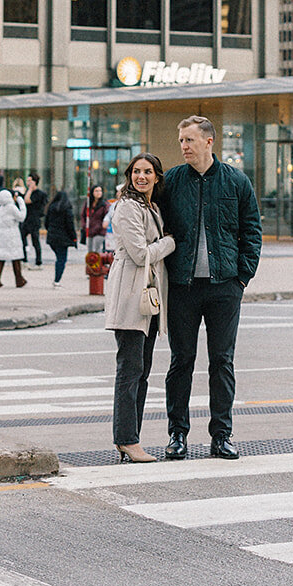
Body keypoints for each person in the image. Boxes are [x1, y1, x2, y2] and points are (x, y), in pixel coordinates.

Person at [159, 115, 262, 461]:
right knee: (181, 361)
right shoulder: (172, 180)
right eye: (181, 141)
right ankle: (177, 434)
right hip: (183, 287)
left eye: (189, 140)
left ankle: (222, 435)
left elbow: (252, 231)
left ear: (208, 142)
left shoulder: (235, 181)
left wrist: (242, 276)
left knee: (222, 362)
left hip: (224, 286)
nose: (184, 147)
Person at [103, 153, 175, 463]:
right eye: (136, 171)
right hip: (131, 295)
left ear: (157, 177)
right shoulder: (128, 207)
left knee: (141, 372)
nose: (140, 176)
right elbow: (139, 253)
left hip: (146, 297)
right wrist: (171, 242)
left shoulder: (151, 207)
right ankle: (127, 440)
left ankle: (131, 438)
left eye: (147, 172)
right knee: (130, 371)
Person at [0, 187, 27, 289]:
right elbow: (21, 217)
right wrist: (21, 201)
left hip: (2, 234)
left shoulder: (0, 209)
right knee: (16, 257)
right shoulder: (11, 207)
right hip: (12, 234)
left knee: (0, 258)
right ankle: (19, 280)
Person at [44, 187, 77, 284]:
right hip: (63, 239)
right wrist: (74, 238)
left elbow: (46, 223)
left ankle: (57, 279)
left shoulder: (51, 208)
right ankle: (57, 280)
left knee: (59, 258)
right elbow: (70, 226)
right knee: (62, 259)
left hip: (52, 238)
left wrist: (50, 231)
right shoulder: (67, 209)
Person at [22, 171, 47, 267]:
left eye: (30, 181)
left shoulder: (38, 193)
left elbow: (27, 200)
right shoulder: (27, 192)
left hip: (35, 219)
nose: (28, 183)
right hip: (26, 218)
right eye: (27, 181)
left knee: (35, 240)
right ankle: (24, 259)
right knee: (22, 238)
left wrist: (30, 190)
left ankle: (38, 261)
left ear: (35, 181)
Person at [81, 183, 109, 251]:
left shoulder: (104, 205)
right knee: (89, 251)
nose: (99, 193)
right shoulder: (88, 204)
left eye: (100, 191)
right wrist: (84, 226)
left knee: (96, 250)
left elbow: (106, 217)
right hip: (89, 231)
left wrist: (101, 227)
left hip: (99, 231)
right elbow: (83, 215)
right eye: (96, 191)